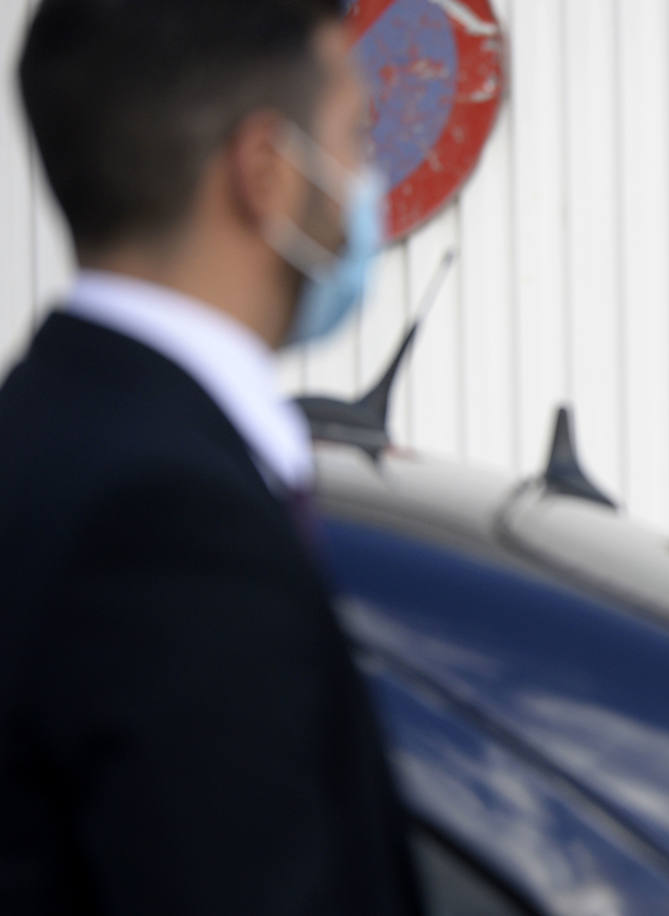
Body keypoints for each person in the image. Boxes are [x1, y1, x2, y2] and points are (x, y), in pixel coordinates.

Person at [0, 1, 418, 913]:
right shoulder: (166, 519)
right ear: (264, 172)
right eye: (354, 135)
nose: (366, 180)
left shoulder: (49, 433)